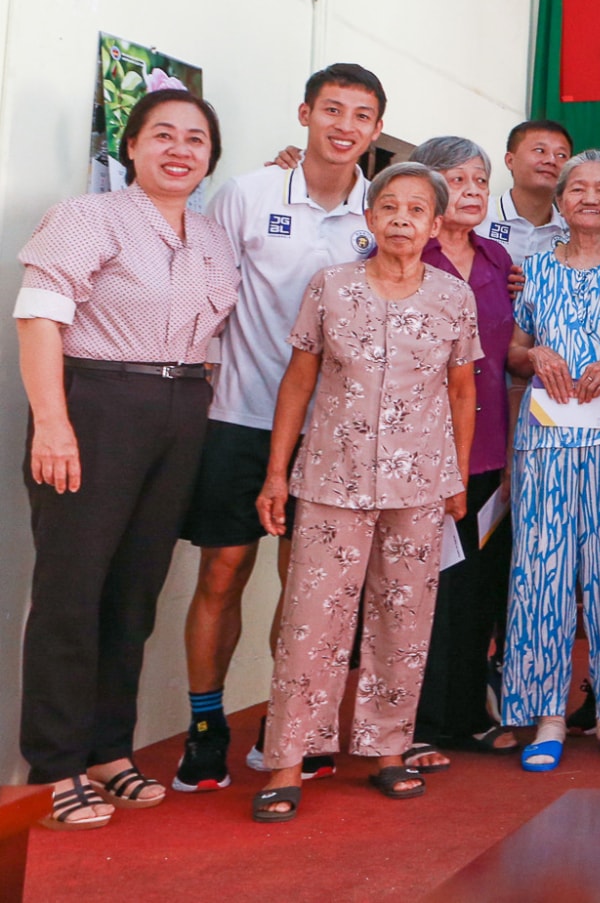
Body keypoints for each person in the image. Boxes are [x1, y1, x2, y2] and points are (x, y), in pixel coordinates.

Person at [14, 90, 237, 829]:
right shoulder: (89, 217)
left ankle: (109, 748)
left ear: (210, 156)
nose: (180, 149)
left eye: (196, 139)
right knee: (72, 590)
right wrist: (52, 422)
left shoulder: (211, 236)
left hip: (180, 410)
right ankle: (53, 765)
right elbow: (41, 316)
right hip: (97, 404)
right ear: (132, 145)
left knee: (135, 591)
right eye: (163, 135)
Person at [175, 63, 385, 793]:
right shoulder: (250, 194)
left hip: (333, 435)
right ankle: (205, 725)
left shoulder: (379, 214)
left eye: (361, 115)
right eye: (332, 109)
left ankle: (287, 722)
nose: (344, 126)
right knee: (223, 573)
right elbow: (206, 289)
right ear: (304, 113)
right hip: (239, 417)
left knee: (308, 588)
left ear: (376, 131)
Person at [249, 163, 479, 823]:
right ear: (370, 217)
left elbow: (463, 391)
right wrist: (276, 471)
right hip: (329, 478)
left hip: (421, 482)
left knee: (404, 617)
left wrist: (457, 476)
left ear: (436, 225)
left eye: (417, 210)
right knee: (311, 620)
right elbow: (298, 380)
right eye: (390, 206)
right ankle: (288, 758)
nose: (403, 218)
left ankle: (388, 748)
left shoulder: (452, 297)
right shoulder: (331, 287)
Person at [501, 150, 600, 770]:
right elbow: (512, 349)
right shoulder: (531, 270)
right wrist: (534, 358)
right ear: (560, 202)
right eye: (577, 189)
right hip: (545, 445)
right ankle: (548, 717)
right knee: (541, 575)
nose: (590, 197)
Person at [403, 138, 518, 765]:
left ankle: (468, 713)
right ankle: (412, 722)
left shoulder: (497, 259)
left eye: (481, 179)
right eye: (458, 178)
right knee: (419, 588)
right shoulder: (405, 254)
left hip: (490, 448)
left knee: (476, 585)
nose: (472, 190)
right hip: (423, 452)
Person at [479, 120, 574, 264]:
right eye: (540, 151)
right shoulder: (479, 215)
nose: (551, 160)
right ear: (510, 160)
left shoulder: (573, 232)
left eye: (561, 155)